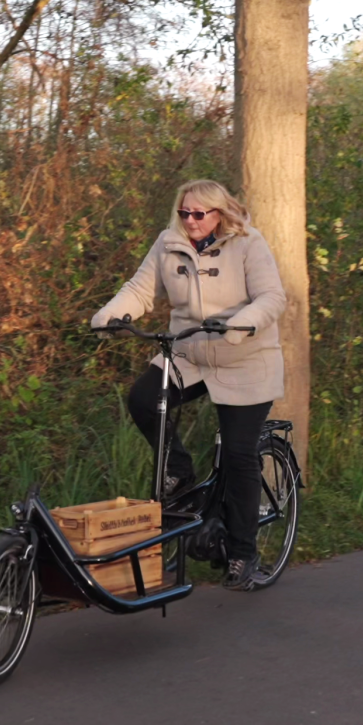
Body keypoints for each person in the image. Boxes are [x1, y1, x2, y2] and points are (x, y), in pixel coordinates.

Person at [92, 179, 286, 590]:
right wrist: (110, 315)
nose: (191, 221)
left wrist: (239, 324)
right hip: (190, 353)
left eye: (199, 214)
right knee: (144, 399)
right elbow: (140, 290)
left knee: (239, 455)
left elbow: (272, 298)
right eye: (185, 213)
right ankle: (179, 473)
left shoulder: (249, 243)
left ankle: (242, 554)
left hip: (245, 358)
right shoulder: (168, 243)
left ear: (220, 213)